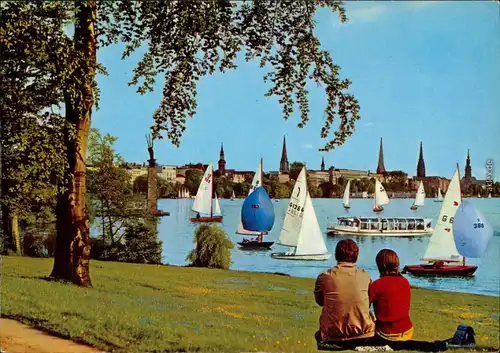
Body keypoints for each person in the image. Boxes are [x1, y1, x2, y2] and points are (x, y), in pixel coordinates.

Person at [369, 249, 448, 352]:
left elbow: (363, 308)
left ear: (380, 265)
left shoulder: (376, 285)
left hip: (387, 334)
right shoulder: (405, 282)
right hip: (407, 330)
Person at [314, 239, 375, 348]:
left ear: (336, 254)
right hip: (364, 333)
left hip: (332, 334)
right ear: (356, 256)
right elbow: (368, 302)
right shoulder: (365, 276)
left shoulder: (325, 276)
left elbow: (320, 301)